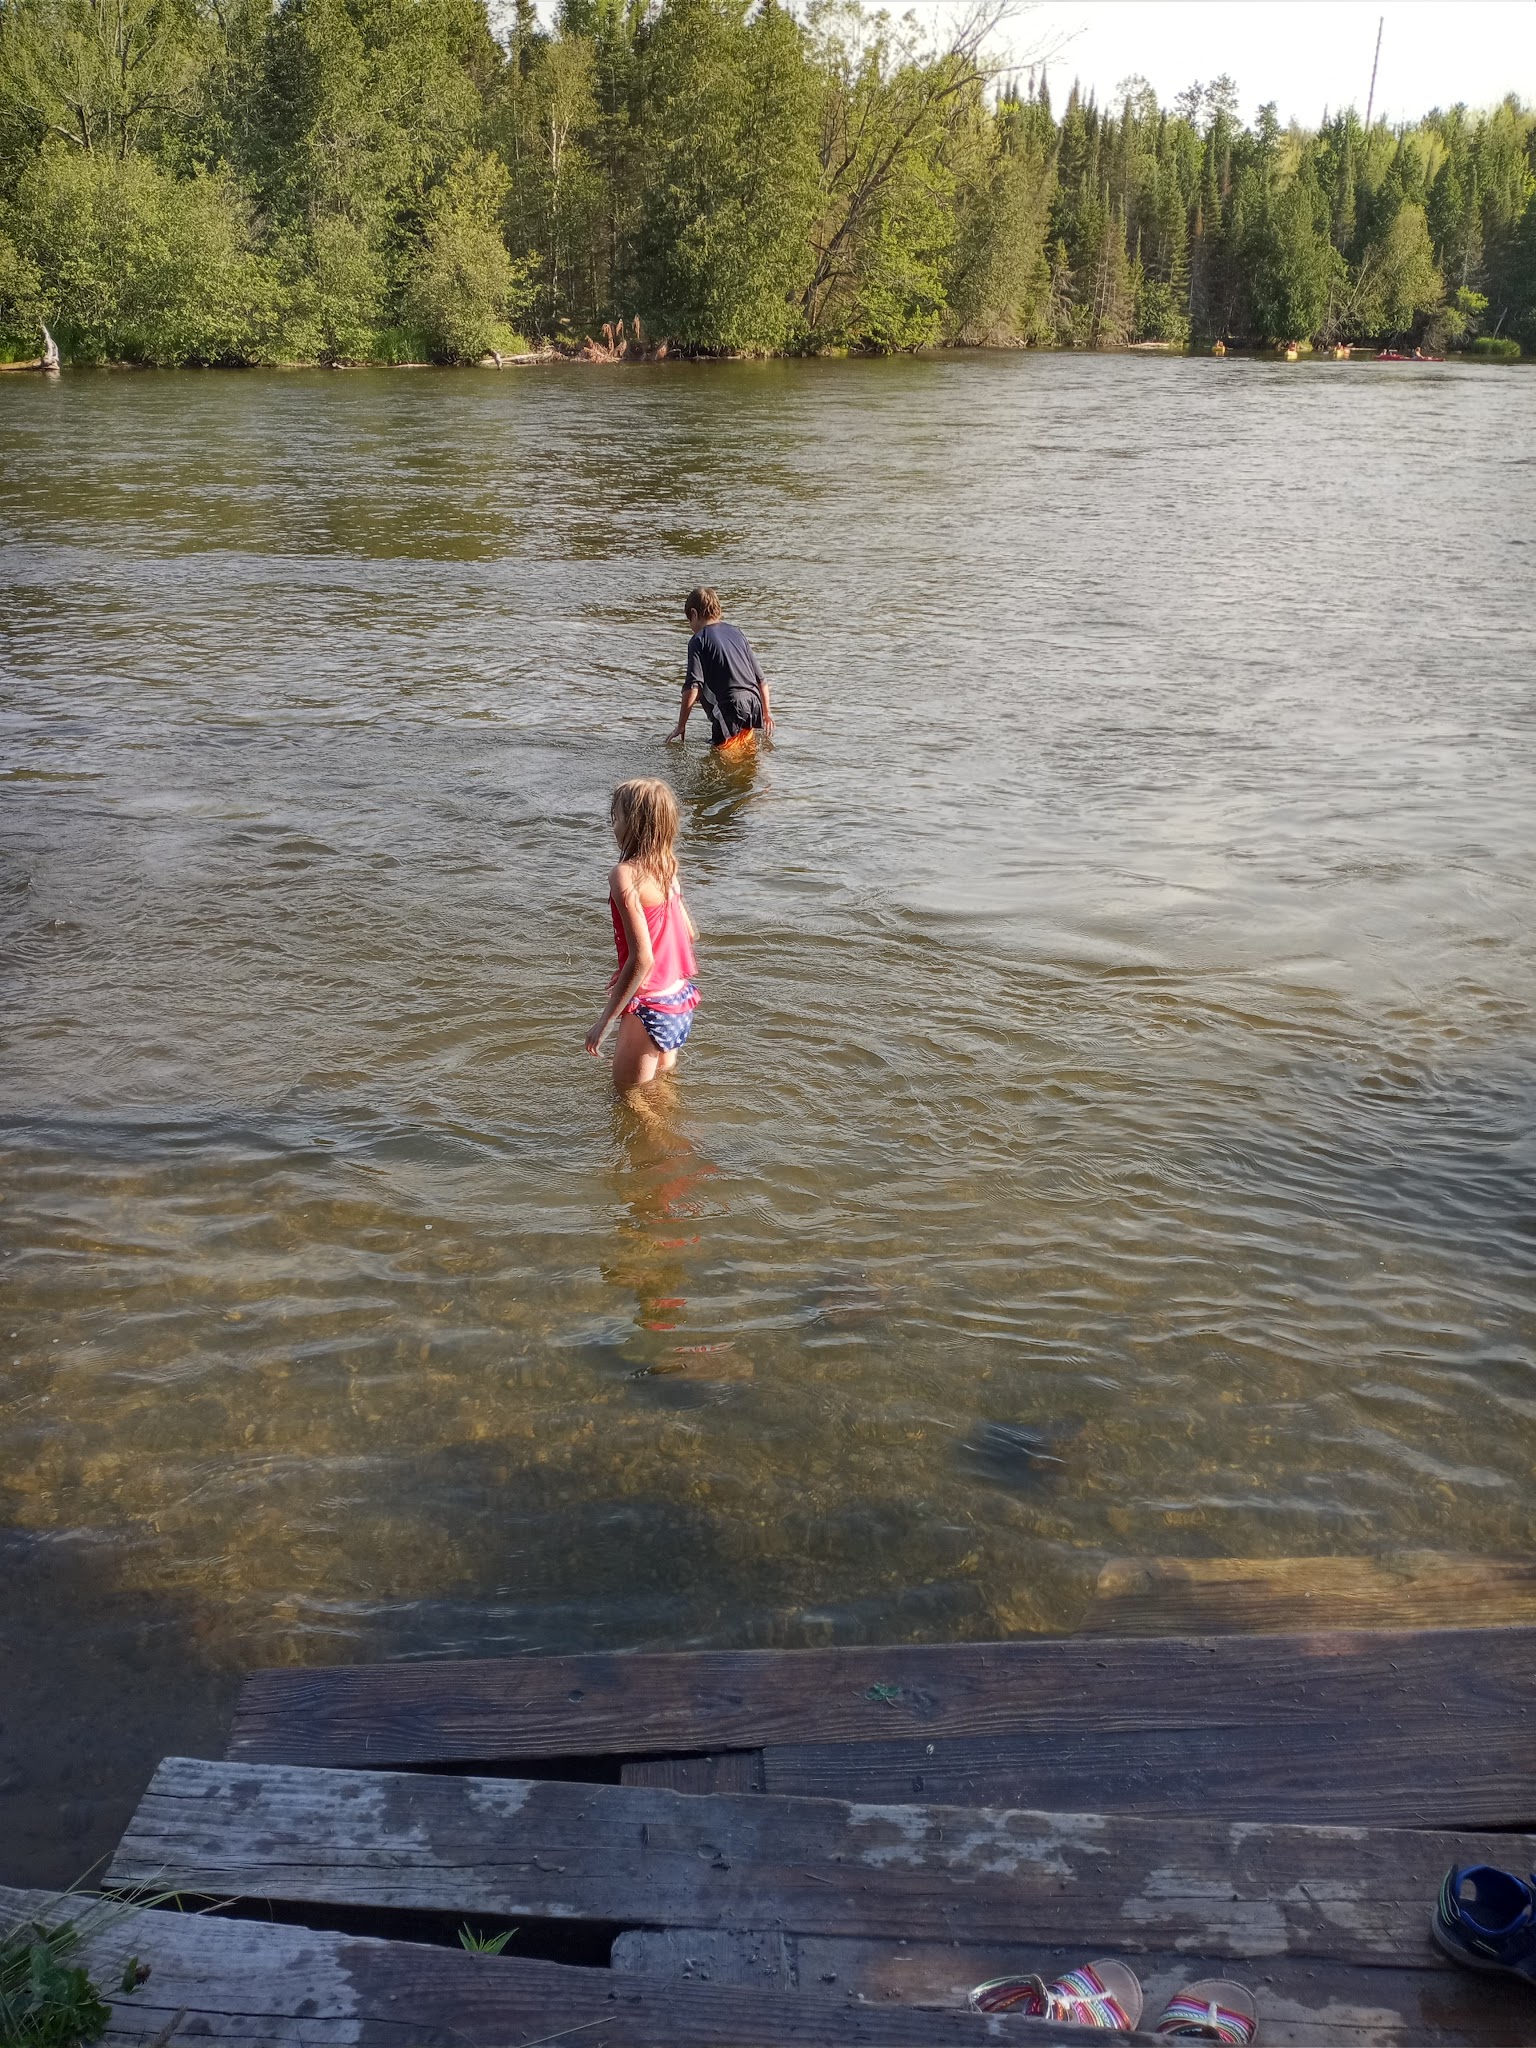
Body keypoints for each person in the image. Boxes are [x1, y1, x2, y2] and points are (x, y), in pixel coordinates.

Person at [585, 778, 700, 1091]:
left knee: (628, 1099)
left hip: (649, 1007)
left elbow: (643, 958)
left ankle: (677, 1138)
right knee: (660, 1088)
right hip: (679, 998)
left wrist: (605, 1021)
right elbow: (689, 934)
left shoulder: (623, 875)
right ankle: (681, 1137)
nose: (613, 827)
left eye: (617, 819)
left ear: (635, 826)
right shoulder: (668, 866)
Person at [669, 587, 774, 749]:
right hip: (754, 702)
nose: (691, 626)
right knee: (744, 751)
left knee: (722, 758)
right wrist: (767, 713)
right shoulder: (736, 633)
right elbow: (761, 679)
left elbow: (692, 687)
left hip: (731, 706)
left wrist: (681, 725)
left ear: (694, 614)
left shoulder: (698, 640)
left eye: (689, 620)